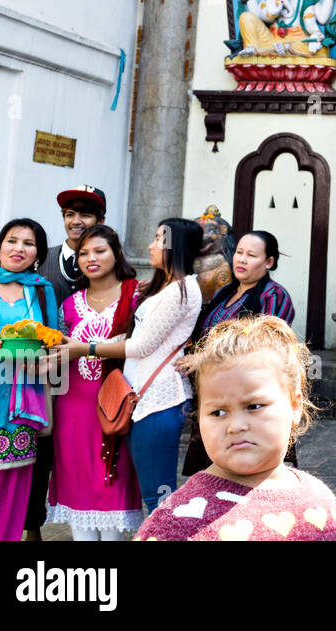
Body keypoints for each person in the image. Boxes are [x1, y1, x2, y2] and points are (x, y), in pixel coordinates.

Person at [136, 316, 336, 540]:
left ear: (294, 406)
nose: (235, 426)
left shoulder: (320, 501)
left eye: (254, 406)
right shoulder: (175, 523)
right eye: (218, 412)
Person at [62, 218, 203, 512]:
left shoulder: (182, 290)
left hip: (159, 400)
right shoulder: (165, 287)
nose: (151, 245)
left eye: (158, 239)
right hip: (143, 397)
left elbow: (141, 347)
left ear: (174, 246)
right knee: (152, 491)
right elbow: (138, 335)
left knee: (159, 494)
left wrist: (84, 348)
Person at [46, 224, 143, 540]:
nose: (91, 258)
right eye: (83, 253)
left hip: (118, 407)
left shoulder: (137, 296)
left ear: (116, 253)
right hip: (72, 408)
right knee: (77, 489)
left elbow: (145, 346)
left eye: (99, 250)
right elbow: (58, 354)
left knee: (113, 486)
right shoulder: (70, 304)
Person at [0, 219, 60, 540]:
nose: (19, 248)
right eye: (12, 240)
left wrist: (41, 362)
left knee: (1, 521)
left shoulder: (41, 292)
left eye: (29, 243)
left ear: (38, 254)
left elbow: (54, 346)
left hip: (17, 415)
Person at [183, 231, 296, 476]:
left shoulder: (274, 296)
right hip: (216, 394)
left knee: (248, 472)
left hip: (250, 397)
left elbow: (266, 344)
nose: (241, 260)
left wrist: (203, 359)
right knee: (213, 474)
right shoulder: (224, 292)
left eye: (251, 255)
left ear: (269, 263)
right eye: (239, 253)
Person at [29, 184, 106, 539]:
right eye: (70, 214)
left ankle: (95, 521)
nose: (77, 221)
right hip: (44, 373)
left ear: (100, 220)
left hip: (91, 379)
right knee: (40, 451)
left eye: (85, 214)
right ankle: (33, 528)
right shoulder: (41, 258)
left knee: (85, 453)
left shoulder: (108, 264)